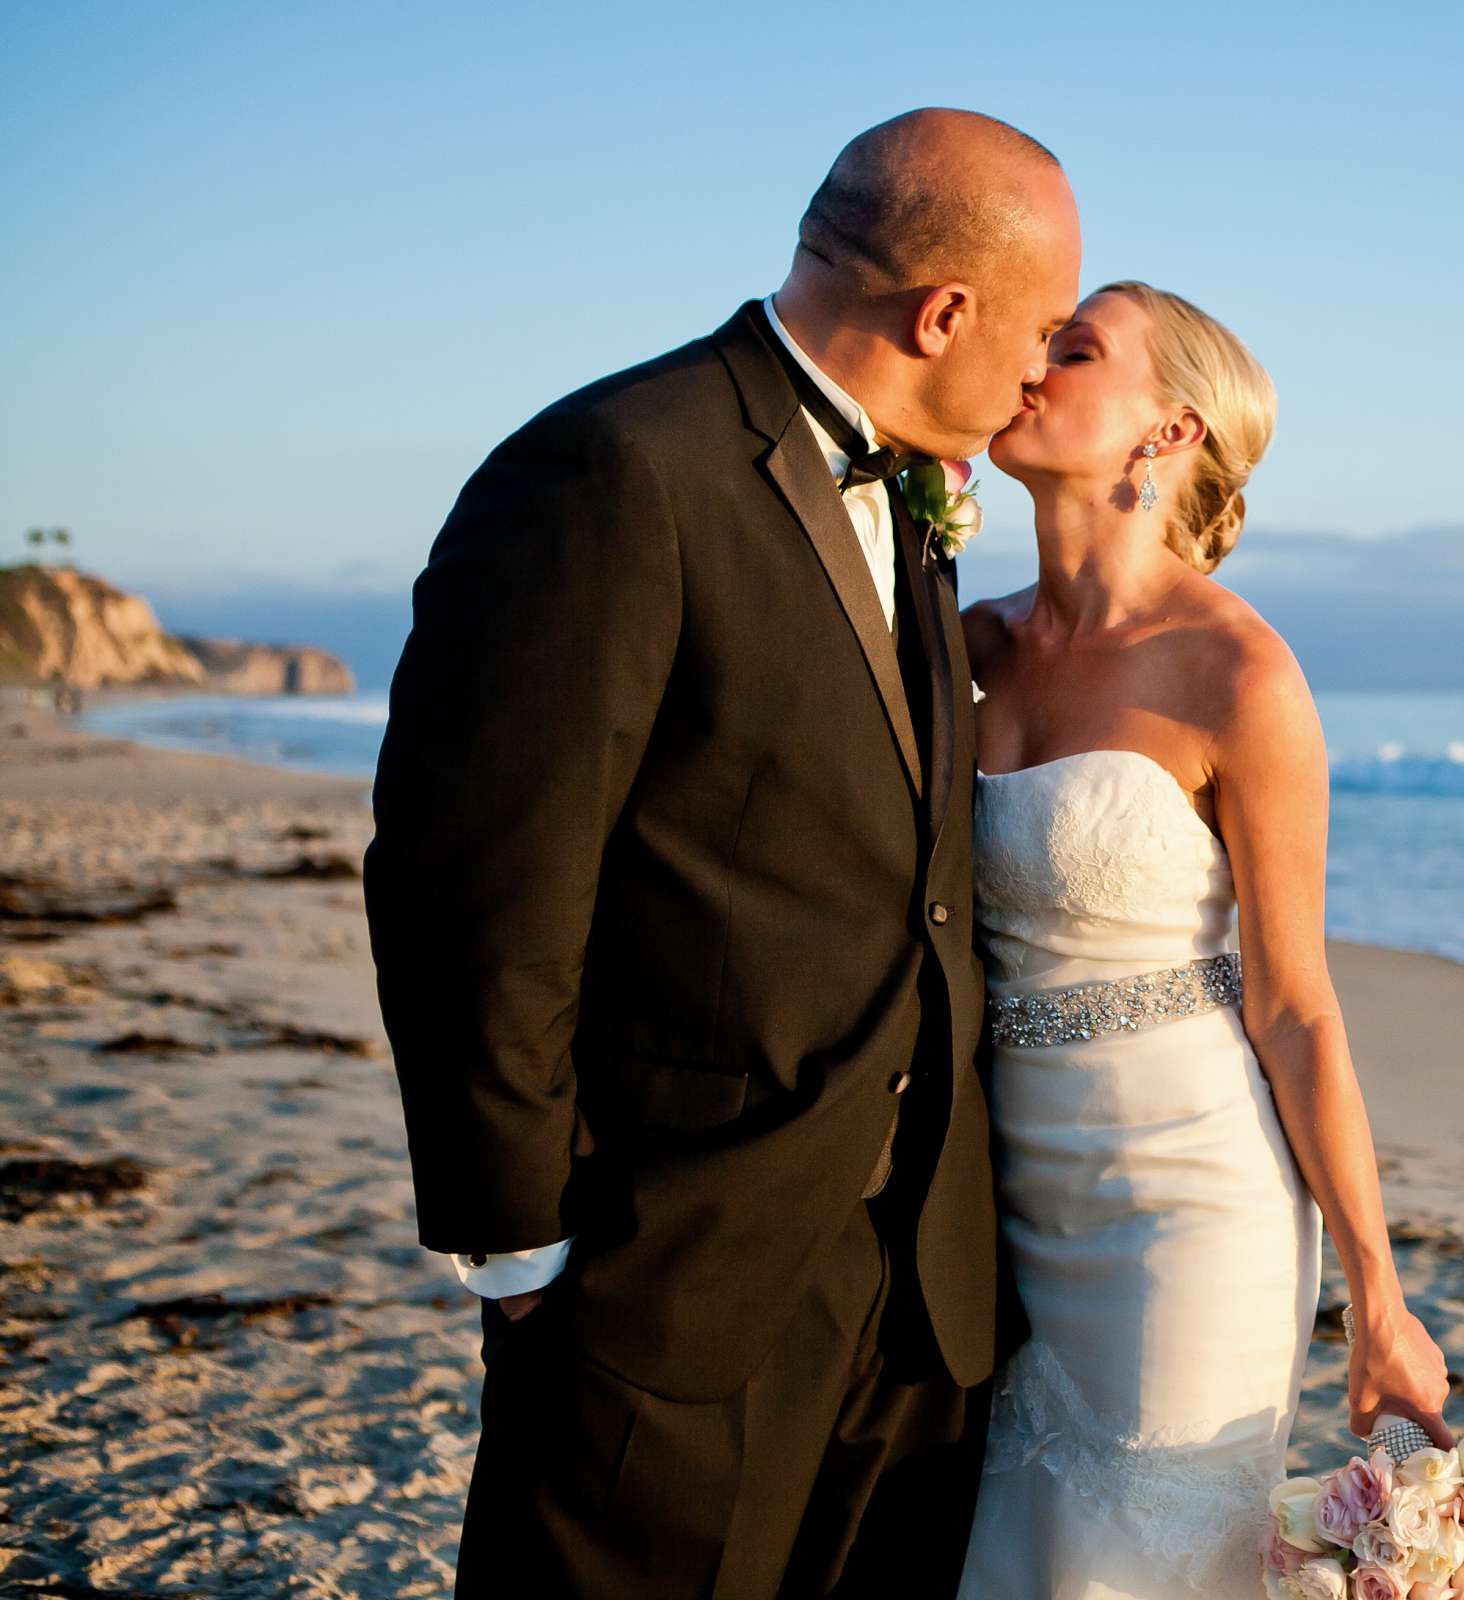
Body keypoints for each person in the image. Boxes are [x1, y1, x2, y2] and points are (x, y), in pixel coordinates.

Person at [361, 108, 1080, 1598]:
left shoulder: (929, 501)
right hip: (673, 1276)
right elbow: (478, 889)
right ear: (940, 312)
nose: (1038, 371)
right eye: (1042, 327)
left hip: (922, 1307)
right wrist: (522, 1249)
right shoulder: (614, 471)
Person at [953, 282, 1453, 1595]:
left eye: (1073, 349)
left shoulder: (1241, 675)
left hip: (1189, 1205)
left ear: (1168, 432)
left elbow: (1297, 1007)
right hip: (996, 1191)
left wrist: (1380, 1300)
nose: (1031, 363)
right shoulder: (962, 644)